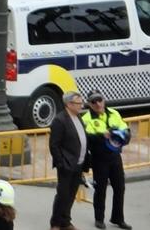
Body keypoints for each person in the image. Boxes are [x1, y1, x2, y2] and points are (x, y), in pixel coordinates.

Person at [80, 91, 129, 229]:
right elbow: (88, 138)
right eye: (93, 102)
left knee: (120, 188)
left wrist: (124, 136)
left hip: (115, 157)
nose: (97, 104)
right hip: (99, 158)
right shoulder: (86, 118)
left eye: (99, 100)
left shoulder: (114, 113)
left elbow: (126, 130)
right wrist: (103, 135)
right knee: (100, 189)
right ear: (89, 104)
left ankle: (118, 218)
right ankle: (99, 219)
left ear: (104, 100)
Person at [49, 91, 89, 230]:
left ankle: (65, 221)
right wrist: (61, 163)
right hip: (66, 164)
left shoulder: (79, 118)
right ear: (69, 104)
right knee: (63, 195)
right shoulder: (60, 120)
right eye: (78, 103)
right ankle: (55, 223)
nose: (81, 105)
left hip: (79, 164)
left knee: (71, 194)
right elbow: (54, 145)